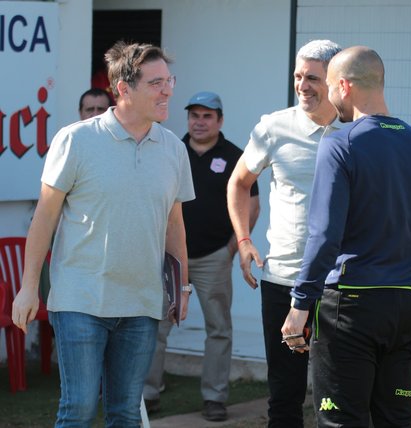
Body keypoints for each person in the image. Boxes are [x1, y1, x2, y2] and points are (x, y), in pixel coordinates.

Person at [12, 41, 195, 427]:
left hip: (142, 303)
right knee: (78, 409)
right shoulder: (76, 140)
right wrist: (29, 287)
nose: (168, 91)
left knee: (126, 413)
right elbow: (44, 218)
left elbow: (173, 225)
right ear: (123, 88)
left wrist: (181, 287)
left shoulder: (174, 150)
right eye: (156, 82)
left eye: (169, 80)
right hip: (80, 299)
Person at [281, 46, 411, 427]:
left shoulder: (340, 143)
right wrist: (406, 245)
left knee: (341, 419)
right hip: (406, 305)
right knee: (395, 419)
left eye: (328, 86)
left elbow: (325, 235)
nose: (326, 95)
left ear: (344, 85)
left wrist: (299, 303)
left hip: (350, 306)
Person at [227, 39, 342, 427]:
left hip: (342, 283)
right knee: (285, 396)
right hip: (283, 281)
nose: (302, 85)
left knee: (336, 400)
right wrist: (244, 240)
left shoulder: (357, 128)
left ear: (337, 80)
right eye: (298, 76)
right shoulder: (274, 126)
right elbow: (239, 183)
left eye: (313, 77)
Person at [143, 91, 260, 421]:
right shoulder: (169, 150)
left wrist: (232, 247)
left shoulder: (236, 156)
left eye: (207, 115)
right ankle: (149, 393)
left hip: (213, 257)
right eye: (194, 115)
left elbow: (252, 204)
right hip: (169, 257)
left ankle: (214, 397)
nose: (199, 121)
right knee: (157, 327)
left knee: (218, 328)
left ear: (220, 121)